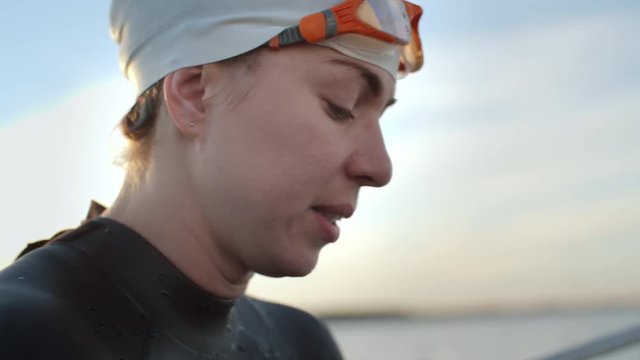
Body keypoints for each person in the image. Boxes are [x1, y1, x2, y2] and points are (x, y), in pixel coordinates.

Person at [0, 0, 423, 359]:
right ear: (195, 95)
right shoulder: (23, 335)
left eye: (380, 117)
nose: (379, 168)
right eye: (341, 106)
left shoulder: (303, 342)